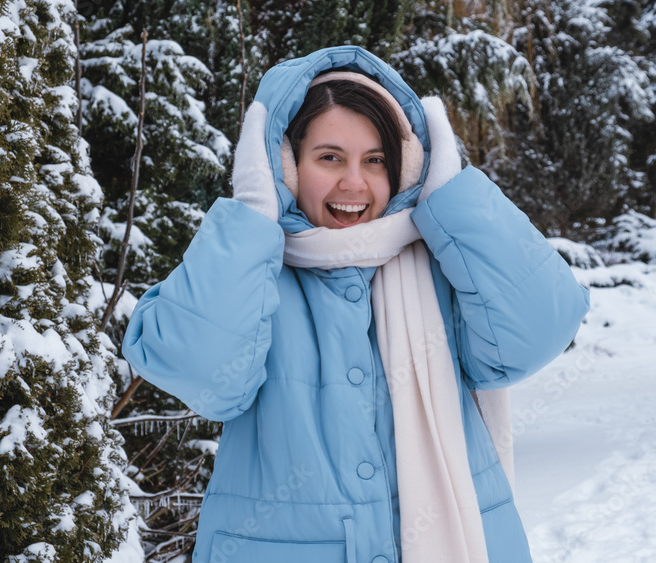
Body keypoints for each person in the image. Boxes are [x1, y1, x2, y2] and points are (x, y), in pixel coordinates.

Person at [122, 46, 590, 563]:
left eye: (375, 160)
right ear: (285, 165)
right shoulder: (250, 273)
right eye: (329, 157)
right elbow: (205, 376)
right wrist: (251, 213)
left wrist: (455, 194)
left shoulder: (446, 264)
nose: (354, 182)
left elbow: (541, 329)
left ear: (405, 167)